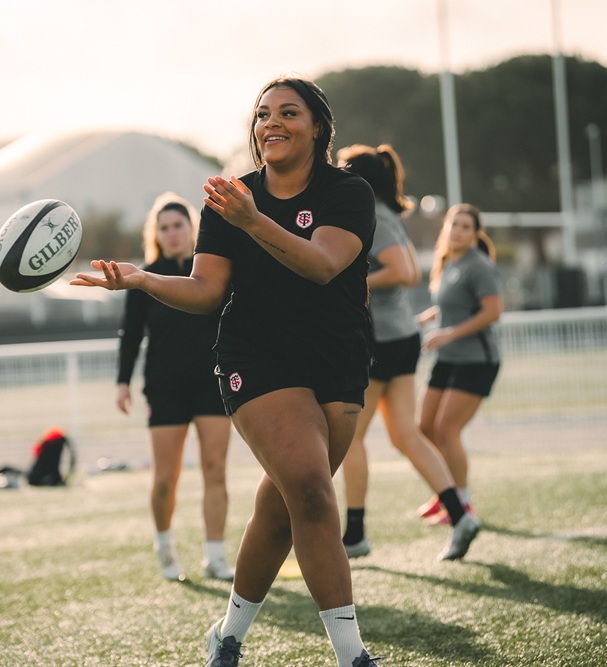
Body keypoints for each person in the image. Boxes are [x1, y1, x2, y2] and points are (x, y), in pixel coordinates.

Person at [74, 76, 385, 667]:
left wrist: (252, 220)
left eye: (289, 113)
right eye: (264, 113)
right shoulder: (230, 199)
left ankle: (228, 635)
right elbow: (205, 291)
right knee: (316, 494)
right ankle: (353, 657)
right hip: (257, 359)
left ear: (317, 127)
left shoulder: (349, 192)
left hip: (338, 358)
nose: (272, 122)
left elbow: (322, 265)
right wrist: (142, 279)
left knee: (283, 505)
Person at [335, 144, 480, 561]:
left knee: (351, 438)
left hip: (381, 340)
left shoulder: (376, 216)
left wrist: (348, 284)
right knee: (403, 434)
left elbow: (404, 272)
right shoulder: (385, 215)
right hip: (398, 338)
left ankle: (356, 534)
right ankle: (460, 512)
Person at [115, 192, 234, 582]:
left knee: (215, 469)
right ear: (157, 234)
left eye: (178, 225)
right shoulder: (142, 277)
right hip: (164, 387)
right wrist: (122, 382)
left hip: (211, 383)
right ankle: (164, 545)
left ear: (191, 229)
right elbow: (130, 335)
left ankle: (215, 556)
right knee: (165, 478)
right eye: (164, 228)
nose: (172, 233)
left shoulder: (213, 273)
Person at [416, 203, 503, 524]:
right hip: (448, 358)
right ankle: (445, 493)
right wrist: (429, 316)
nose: (458, 231)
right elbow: (453, 304)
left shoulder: (478, 265)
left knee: (446, 429)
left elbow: (491, 312)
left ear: (475, 234)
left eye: (466, 226)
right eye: (454, 224)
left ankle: (463, 505)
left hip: (476, 360)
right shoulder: (447, 263)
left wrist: (448, 334)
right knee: (424, 427)